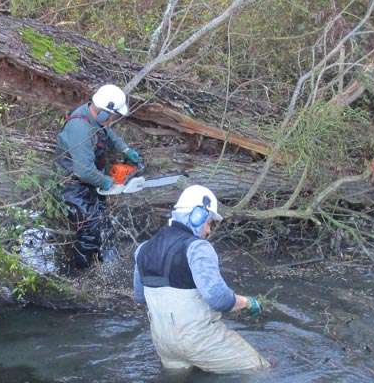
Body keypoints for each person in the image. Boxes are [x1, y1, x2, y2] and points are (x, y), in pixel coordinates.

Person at [133, 185, 270, 374]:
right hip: (198, 340)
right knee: (261, 370)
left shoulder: (142, 249)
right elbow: (219, 299)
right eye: (209, 223)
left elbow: (140, 297)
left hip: (163, 344)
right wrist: (247, 302)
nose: (208, 231)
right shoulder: (197, 248)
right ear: (197, 216)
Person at [55, 84, 144, 269]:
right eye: (112, 115)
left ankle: (105, 263)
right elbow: (84, 171)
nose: (112, 119)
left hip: (89, 179)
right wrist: (107, 182)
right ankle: (83, 272)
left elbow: (108, 133)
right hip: (72, 184)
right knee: (89, 228)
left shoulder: (94, 117)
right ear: (104, 112)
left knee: (104, 221)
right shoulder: (80, 127)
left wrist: (125, 150)